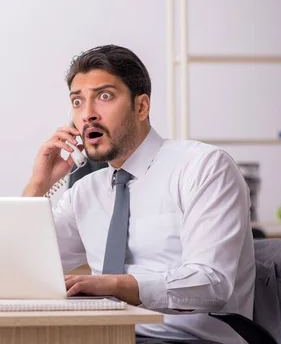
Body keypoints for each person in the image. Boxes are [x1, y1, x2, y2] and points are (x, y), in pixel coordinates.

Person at [22, 45, 255, 344]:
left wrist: (115, 285)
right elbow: (25, 268)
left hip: (190, 339)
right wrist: (37, 186)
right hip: (106, 336)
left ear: (141, 106)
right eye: (78, 102)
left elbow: (211, 283)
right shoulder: (85, 192)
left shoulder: (203, 167)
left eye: (104, 96)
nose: (88, 114)